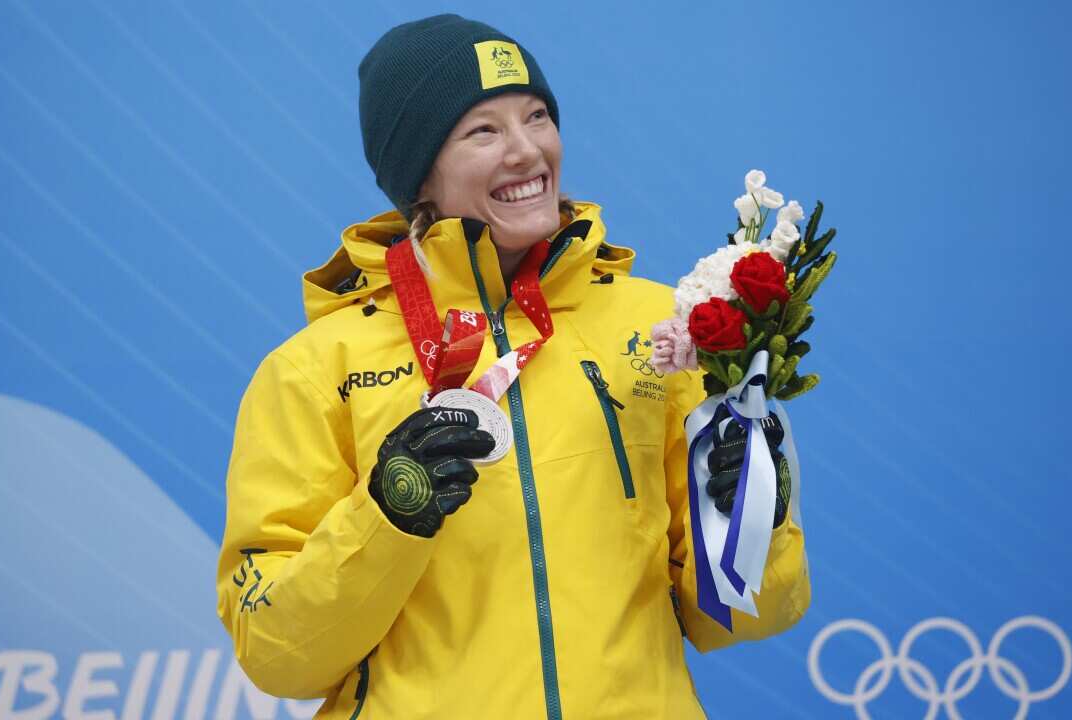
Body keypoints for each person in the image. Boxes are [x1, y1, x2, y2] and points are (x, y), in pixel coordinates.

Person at [216, 14, 810, 719]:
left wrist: (752, 514)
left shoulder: (663, 328)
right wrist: (387, 517)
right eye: (483, 131)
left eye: (537, 117)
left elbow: (740, 616)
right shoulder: (317, 367)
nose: (528, 152)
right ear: (419, 176)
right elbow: (279, 653)